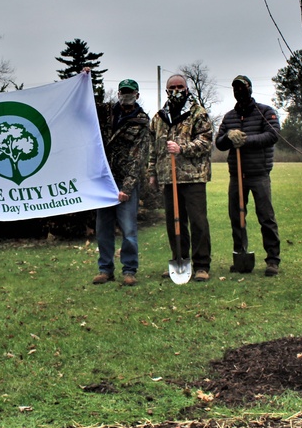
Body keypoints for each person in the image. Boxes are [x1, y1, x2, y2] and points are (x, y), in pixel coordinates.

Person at [147, 74, 213, 281]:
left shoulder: (197, 113)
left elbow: (205, 142)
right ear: (167, 91)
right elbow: (153, 147)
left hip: (193, 177)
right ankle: (179, 259)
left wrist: (182, 148)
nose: (176, 90)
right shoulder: (159, 118)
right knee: (174, 221)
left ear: (186, 89)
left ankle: (202, 265)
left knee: (198, 221)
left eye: (180, 86)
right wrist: (152, 172)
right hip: (168, 176)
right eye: (172, 87)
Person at [214, 75, 282, 276]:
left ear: (250, 88)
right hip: (237, 175)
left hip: (259, 173)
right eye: (235, 88)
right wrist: (228, 137)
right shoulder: (229, 117)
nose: (239, 91)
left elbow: (273, 135)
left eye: (242, 87)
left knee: (266, 217)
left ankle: (272, 260)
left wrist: (246, 140)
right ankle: (240, 255)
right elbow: (219, 142)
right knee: (237, 217)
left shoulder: (265, 112)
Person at [93, 78, 151, 286]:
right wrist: (85, 77)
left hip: (125, 182)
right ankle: (105, 269)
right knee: (103, 229)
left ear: (137, 94)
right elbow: (84, 101)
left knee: (128, 230)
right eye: (123, 92)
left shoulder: (142, 121)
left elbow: (139, 157)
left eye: (130, 92)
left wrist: (127, 187)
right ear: (118, 94)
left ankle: (129, 270)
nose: (126, 95)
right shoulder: (107, 112)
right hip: (104, 182)